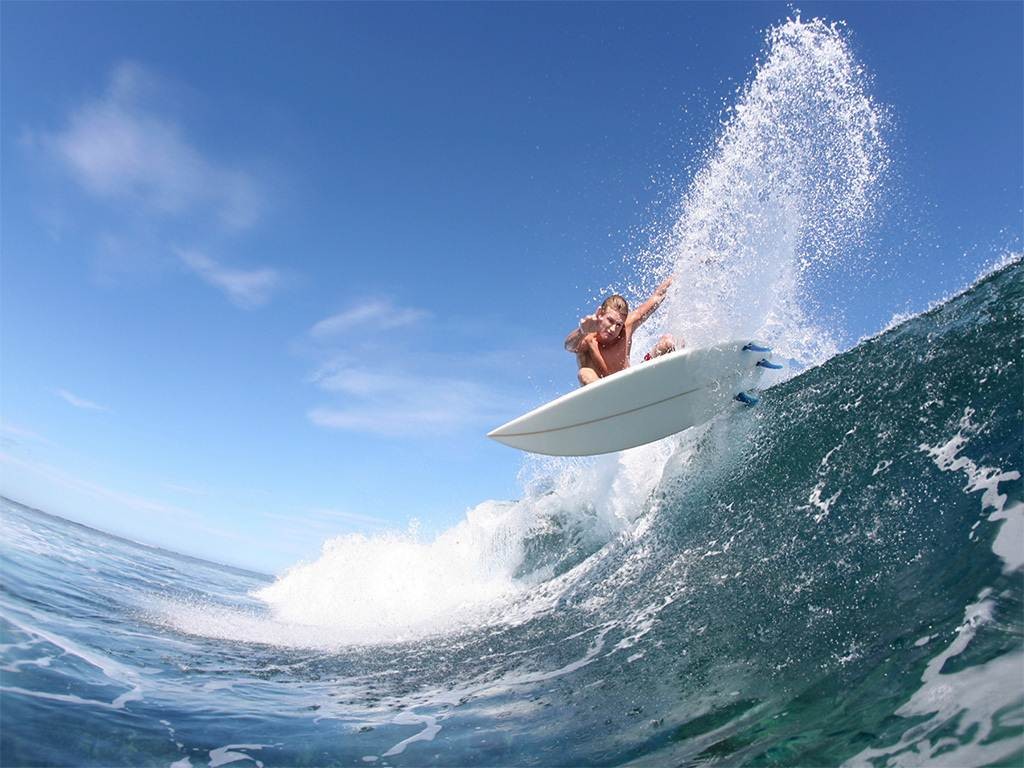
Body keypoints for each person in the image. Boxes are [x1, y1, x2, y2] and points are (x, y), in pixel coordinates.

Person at [564, 277, 680, 386]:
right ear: (600, 314)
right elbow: (568, 346)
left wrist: (683, 271)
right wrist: (582, 330)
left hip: (634, 382)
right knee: (584, 373)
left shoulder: (627, 326)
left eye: (619, 324)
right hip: (604, 391)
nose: (613, 328)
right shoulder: (588, 338)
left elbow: (658, 296)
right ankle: (610, 403)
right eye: (610, 320)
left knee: (668, 342)